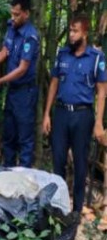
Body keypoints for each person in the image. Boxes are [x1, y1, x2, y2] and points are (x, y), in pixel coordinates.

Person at [42, 14, 107, 214]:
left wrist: (98, 123)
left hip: (82, 115)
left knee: (80, 162)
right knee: (58, 160)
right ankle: (58, 207)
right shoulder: (62, 54)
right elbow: (54, 83)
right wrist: (47, 114)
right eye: (70, 30)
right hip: (61, 113)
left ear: (85, 33)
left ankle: (77, 210)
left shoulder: (96, 58)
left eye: (75, 31)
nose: (71, 35)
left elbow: (102, 90)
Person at [0, 0, 40, 167]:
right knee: (9, 136)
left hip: (25, 93)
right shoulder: (11, 27)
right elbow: (4, 52)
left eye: (16, 14)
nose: (12, 17)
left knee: (25, 140)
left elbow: (22, 69)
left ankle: (24, 180)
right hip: (12, 92)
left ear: (26, 14)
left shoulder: (31, 37)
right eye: (11, 13)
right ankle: (7, 173)